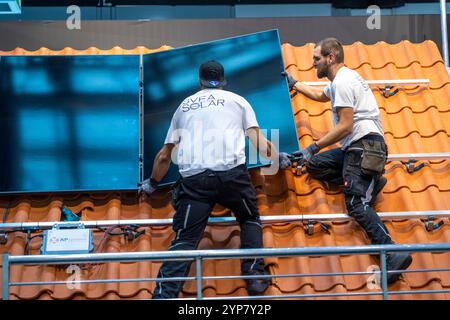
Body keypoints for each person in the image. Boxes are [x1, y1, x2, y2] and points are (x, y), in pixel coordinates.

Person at [139, 60, 292, 299]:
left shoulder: (184, 107)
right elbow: (258, 141)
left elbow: (164, 155)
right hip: (232, 178)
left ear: (199, 81)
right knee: (250, 218)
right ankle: (255, 279)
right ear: (223, 81)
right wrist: (277, 157)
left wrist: (152, 183)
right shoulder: (239, 101)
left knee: (186, 239)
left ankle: (163, 294)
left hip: (195, 182)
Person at [286, 38, 412, 284]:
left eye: (317, 59)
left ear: (330, 57)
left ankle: (392, 252)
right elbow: (320, 95)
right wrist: (295, 84)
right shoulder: (342, 80)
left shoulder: (342, 82)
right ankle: (371, 182)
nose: (313, 64)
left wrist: (313, 146)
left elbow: (345, 126)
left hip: (362, 146)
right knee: (315, 165)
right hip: (360, 148)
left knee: (355, 204)